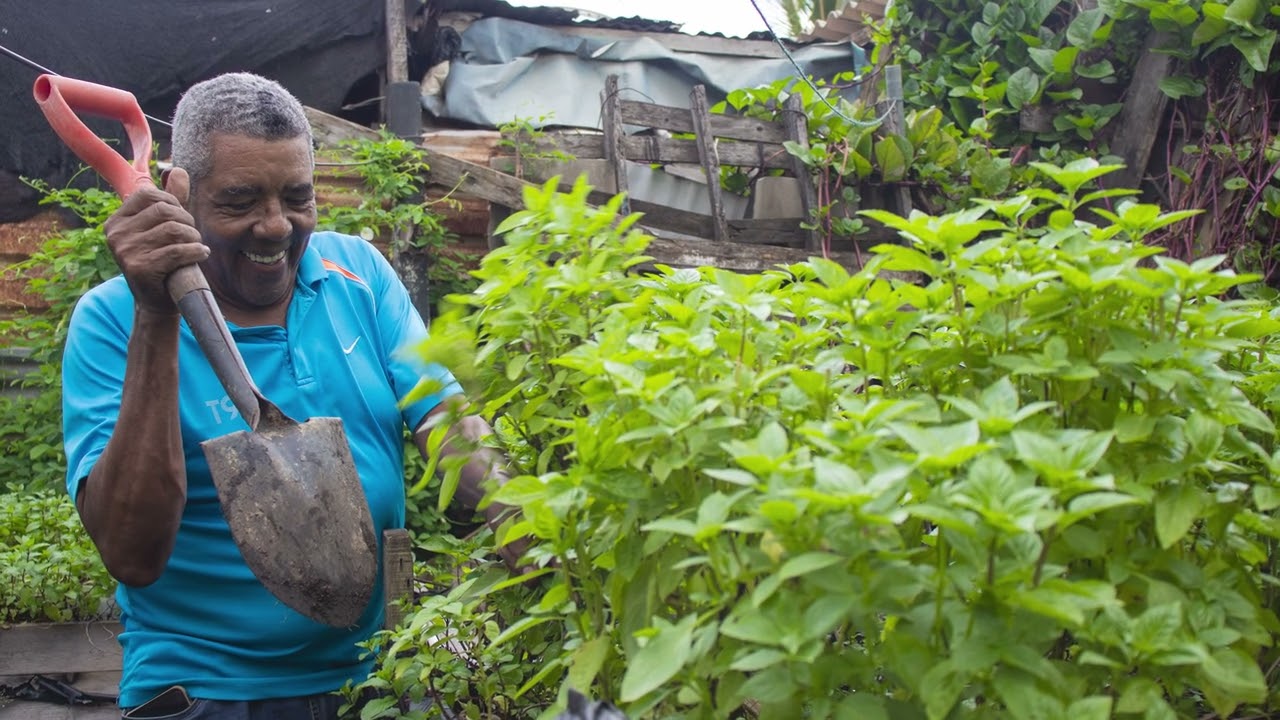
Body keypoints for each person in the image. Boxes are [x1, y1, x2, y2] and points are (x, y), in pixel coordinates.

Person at [61, 72, 515, 719]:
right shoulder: (111, 320)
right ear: (181, 196)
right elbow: (132, 553)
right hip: (204, 692)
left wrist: (535, 526)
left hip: (376, 681)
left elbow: (447, 419)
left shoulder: (357, 274)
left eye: (296, 197)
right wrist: (157, 315)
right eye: (241, 200)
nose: (275, 227)